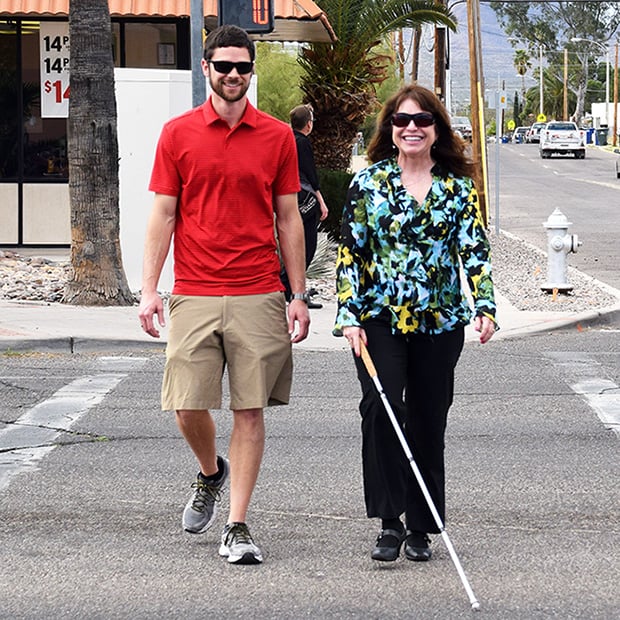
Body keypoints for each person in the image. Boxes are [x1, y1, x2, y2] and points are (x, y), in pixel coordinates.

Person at [138, 24, 310, 565]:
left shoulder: (278, 136)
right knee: (186, 404)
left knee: (250, 411)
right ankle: (211, 472)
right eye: (223, 66)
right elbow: (163, 215)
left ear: (251, 71)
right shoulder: (177, 134)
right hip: (193, 289)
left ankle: (237, 525)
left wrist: (298, 294)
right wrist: (149, 290)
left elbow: (289, 217)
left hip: (260, 291)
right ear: (207, 68)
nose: (233, 75)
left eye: (242, 66)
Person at [334, 84, 497, 563]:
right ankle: (389, 522)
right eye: (402, 120)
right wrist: (348, 314)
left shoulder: (457, 188)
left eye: (422, 120)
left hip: (439, 323)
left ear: (436, 129)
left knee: (428, 419)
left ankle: (422, 525)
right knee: (382, 411)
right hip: (378, 319)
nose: (411, 128)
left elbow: (474, 251)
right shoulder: (368, 183)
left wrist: (485, 305)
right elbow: (351, 253)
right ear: (390, 128)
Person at [281, 103, 329, 309]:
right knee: (307, 245)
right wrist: (320, 199)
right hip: (304, 197)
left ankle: (289, 286)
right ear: (308, 125)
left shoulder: (285, 140)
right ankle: (290, 287)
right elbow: (310, 174)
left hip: (289, 197)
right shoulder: (303, 143)